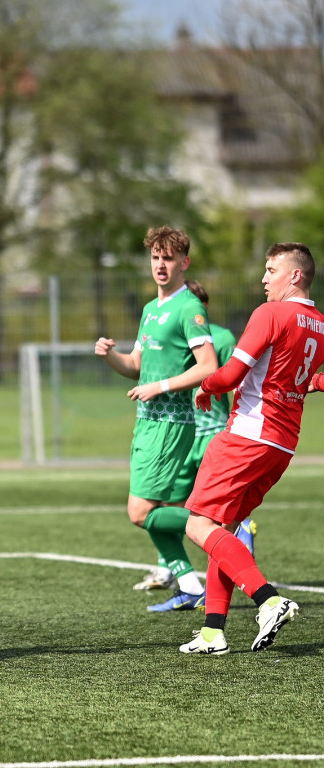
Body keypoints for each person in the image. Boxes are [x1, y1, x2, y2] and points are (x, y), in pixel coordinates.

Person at [179, 242, 324, 655]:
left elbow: (229, 375)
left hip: (247, 435)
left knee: (197, 526)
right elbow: (310, 380)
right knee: (223, 531)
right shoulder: (320, 324)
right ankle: (212, 633)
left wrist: (206, 385)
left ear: (295, 276)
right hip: (281, 445)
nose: (264, 278)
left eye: (271, 269)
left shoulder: (271, 314)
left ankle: (269, 600)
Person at [94, 227, 219, 612]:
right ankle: (190, 584)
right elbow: (136, 366)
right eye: (155, 258)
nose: (160, 265)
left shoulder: (189, 308)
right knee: (149, 512)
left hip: (171, 422)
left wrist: (161, 386)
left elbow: (209, 367)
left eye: (168, 258)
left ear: (185, 263)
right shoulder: (151, 310)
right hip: (147, 420)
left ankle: (217, 527)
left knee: (139, 511)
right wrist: (109, 356)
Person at [180, 281, 257, 558]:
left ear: (204, 307)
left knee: (219, 505)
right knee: (174, 501)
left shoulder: (222, 338)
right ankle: (169, 567)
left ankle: (239, 532)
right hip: (181, 429)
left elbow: (237, 378)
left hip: (212, 429)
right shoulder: (173, 334)